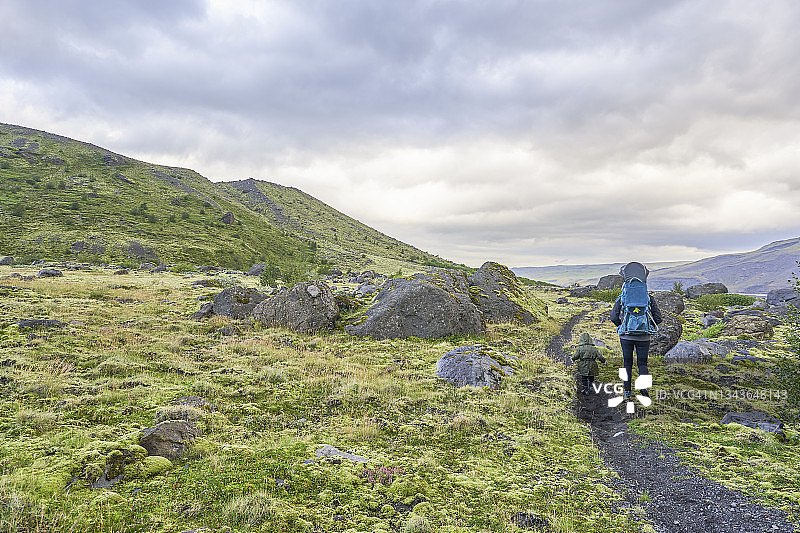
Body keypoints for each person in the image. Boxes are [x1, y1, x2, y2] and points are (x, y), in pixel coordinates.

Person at [610, 262, 662, 399]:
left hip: (626, 336)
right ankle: (643, 387)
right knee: (642, 363)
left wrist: (621, 325)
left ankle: (627, 391)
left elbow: (613, 316)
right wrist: (647, 325)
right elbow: (658, 318)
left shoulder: (623, 298)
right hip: (644, 336)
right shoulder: (648, 298)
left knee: (627, 363)